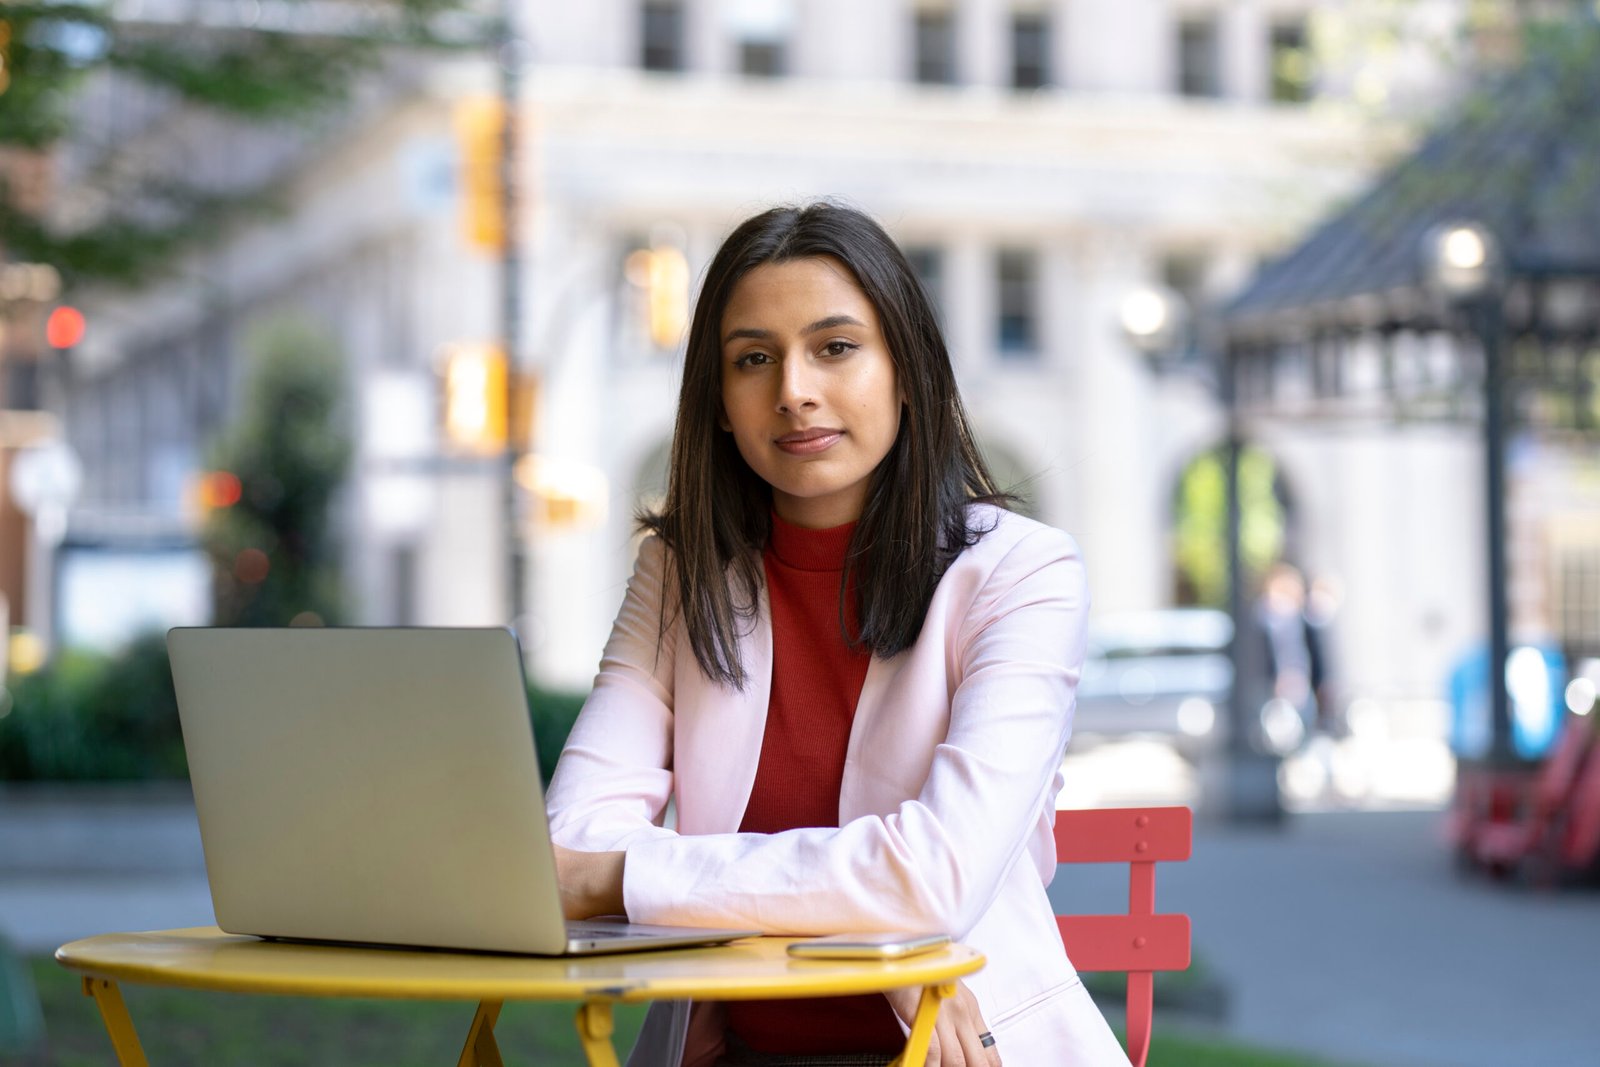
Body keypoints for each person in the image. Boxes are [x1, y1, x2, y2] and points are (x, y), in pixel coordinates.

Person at [546, 202, 1130, 1067]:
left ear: (907, 372)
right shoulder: (678, 573)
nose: (793, 390)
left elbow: (935, 874)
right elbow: (572, 845)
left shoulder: (1021, 573)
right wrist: (869, 931)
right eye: (753, 359)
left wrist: (638, 878)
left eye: (836, 347)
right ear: (718, 403)